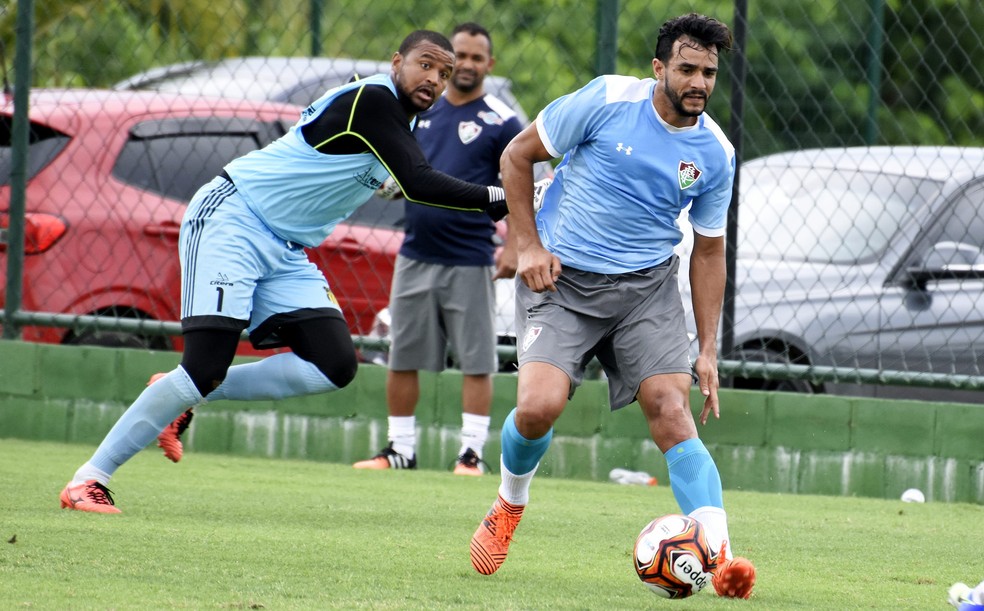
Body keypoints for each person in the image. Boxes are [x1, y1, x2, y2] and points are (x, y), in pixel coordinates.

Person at [59, 29, 510, 514]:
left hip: (284, 247)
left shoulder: (399, 122)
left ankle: (180, 393)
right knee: (204, 365)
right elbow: (419, 183)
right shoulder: (375, 99)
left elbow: (387, 176)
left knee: (333, 365)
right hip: (233, 219)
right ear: (397, 61)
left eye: (443, 74)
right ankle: (90, 479)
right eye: (426, 64)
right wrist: (502, 199)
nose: (435, 79)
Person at [466, 13, 757, 599]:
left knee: (670, 410)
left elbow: (708, 252)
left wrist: (706, 349)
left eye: (709, 72)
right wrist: (528, 246)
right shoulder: (604, 99)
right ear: (659, 69)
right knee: (538, 408)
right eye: (687, 69)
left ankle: (720, 557)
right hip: (562, 280)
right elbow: (517, 158)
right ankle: (508, 504)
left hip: (645, 289)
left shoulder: (715, 153)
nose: (699, 82)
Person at [352, 22, 523, 476]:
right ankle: (400, 450)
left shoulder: (502, 122)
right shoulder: (416, 111)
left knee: (476, 362)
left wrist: (517, 245)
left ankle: (471, 454)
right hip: (415, 253)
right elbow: (395, 170)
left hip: (470, 258)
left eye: (474, 58)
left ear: (489, 64)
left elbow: (523, 184)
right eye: (458, 57)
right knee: (402, 356)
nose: (465, 65)